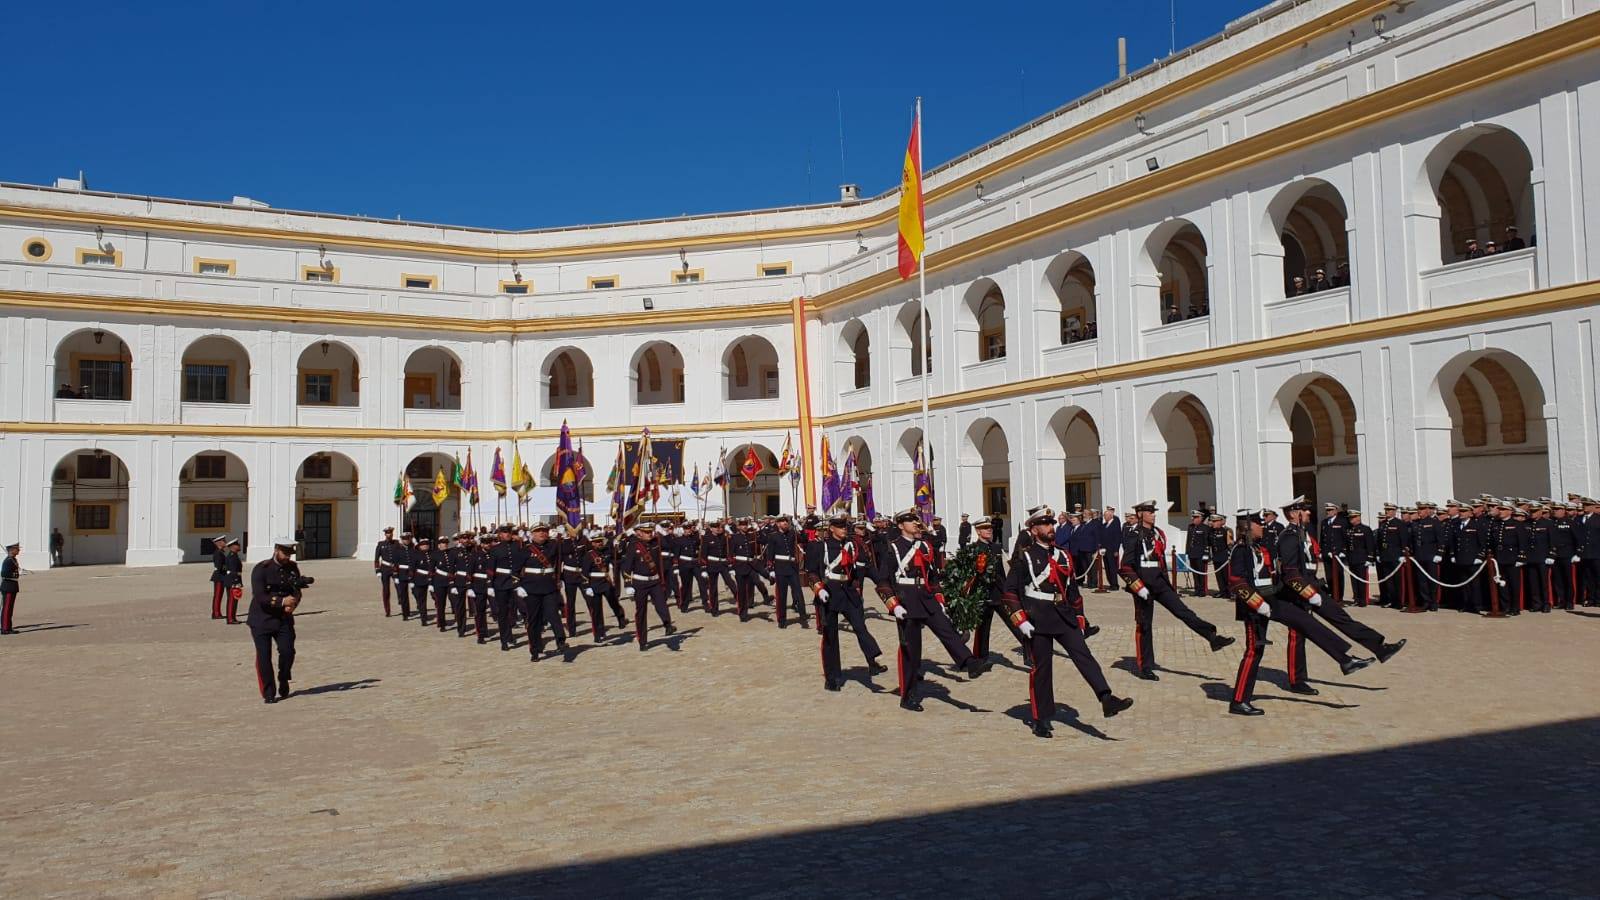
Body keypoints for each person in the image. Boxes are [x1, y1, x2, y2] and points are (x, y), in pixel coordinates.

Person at [1225, 510, 1372, 717]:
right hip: (1254, 607)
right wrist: (1258, 605)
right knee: (1254, 651)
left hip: (1272, 599)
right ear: (1248, 527)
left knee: (1305, 621)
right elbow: (1237, 582)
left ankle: (1345, 659)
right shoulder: (1240, 550)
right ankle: (1239, 700)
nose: (1263, 527)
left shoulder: (1259, 546)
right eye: (1259, 524)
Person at [1002, 510, 1133, 738]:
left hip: (1063, 614)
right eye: (1044, 525)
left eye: (1051, 524)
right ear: (1034, 531)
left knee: (1084, 656)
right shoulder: (1025, 556)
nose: (1050, 528)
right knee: (1042, 669)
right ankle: (1041, 718)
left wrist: (1080, 616)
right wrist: (1020, 620)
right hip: (1037, 617)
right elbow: (1010, 592)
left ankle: (1106, 698)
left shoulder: (1063, 555)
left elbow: (1072, 591)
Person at [1277, 497, 1405, 693]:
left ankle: (1379, 647)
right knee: (1298, 635)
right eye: (1304, 510)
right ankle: (1297, 680)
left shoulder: (1302, 532)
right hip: (1298, 592)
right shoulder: (1288, 536)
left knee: (1341, 617)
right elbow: (1290, 572)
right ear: (1294, 514)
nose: (1309, 513)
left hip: (1312, 587)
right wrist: (1308, 593)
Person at [875, 510, 991, 712]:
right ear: (901, 526)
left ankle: (969, 662)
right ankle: (908, 696)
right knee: (912, 650)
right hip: (906, 599)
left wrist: (939, 597)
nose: (915, 524)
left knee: (947, 630)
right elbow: (883, 581)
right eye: (910, 521)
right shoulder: (893, 548)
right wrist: (894, 605)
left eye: (916, 521)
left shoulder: (926, 546)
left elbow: (933, 577)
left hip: (926, 597)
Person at [1119, 500, 1234, 681]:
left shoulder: (1157, 533)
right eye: (1150, 512)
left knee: (1183, 612)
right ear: (1141, 514)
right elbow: (1125, 567)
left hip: (1160, 583)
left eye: (1153, 512)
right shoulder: (1134, 535)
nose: (1154, 515)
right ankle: (1145, 666)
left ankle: (1212, 637)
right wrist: (1138, 587)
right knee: (1144, 625)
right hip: (1143, 587)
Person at [805, 515, 887, 692]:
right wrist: (819, 589)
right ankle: (832, 677)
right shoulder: (820, 547)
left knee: (860, 626)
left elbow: (865, 567)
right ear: (831, 529)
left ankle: (873, 655)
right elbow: (810, 572)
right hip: (829, 592)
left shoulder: (853, 545)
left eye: (845, 526)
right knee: (831, 637)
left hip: (848, 592)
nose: (844, 529)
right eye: (840, 526)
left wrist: (882, 582)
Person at [967, 517, 1029, 666]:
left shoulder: (996, 548)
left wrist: (1008, 591)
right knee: (982, 630)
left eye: (990, 527)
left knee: (1016, 623)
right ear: (978, 531)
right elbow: (970, 576)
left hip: (999, 594)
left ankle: (1030, 655)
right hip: (981, 594)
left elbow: (1001, 573)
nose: (989, 529)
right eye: (985, 528)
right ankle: (981, 659)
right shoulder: (972, 550)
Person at [248, 540, 303, 704]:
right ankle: (269, 692)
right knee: (264, 657)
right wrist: (281, 602)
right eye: (285, 553)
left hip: (283, 619)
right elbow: (260, 596)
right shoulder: (262, 569)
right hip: (261, 619)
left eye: (289, 554)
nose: (287, 557)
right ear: (276, 550)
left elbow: (297, 591)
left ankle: (283, 677)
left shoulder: (292, 568)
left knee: (288, 652)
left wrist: (292, 605)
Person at [519, 523, 570, 661]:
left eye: (545, 531)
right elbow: (516, 570)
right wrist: (518, 586)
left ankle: (561, 641)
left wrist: (565, 536)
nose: (542, 533)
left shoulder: (554, 546)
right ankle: (535, 650)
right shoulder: (525, 550)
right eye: (538, 531)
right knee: (534, 620)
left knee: (553, 614)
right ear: (532, 534)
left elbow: (568, 552)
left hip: (549, 587)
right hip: (531, 588)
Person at [620, 521, 674, 651]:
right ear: (639, 533)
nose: (649, 534)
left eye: (651, 531)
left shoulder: (656, 542)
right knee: (641, 612)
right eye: (646, 532)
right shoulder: (633, 546)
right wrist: (628, 584)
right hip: (640, 583)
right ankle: (642, 641)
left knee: (662, 605)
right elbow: (626, 567)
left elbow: (670, 545)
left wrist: (663, 533)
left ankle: (668, 625)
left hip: (654, 581)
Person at [765, 516, 807, 628]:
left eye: (786, 522)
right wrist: (771, 569)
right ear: (778, 524)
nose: (785, 523)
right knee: (782, 596)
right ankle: (782, 620)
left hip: (792, 567)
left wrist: (799, 527)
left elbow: (804, 539)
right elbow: (770, 554)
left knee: (798, 592)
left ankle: (803, 615)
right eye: (782, 522)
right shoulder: (773, 536)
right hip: (780, 568)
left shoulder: (792, 533)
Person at [1345, 511, 1376, 607]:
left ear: (1358, 517)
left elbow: (1370, 545)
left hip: (1362, 558)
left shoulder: (1365, 529)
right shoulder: (1349, 529)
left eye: (1353, 517)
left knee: (1361, 580)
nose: (1351, 520)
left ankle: (1362, 600)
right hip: (1352, 558)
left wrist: (1370, 558)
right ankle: (1356, 598)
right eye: (1350, 518)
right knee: (1354, 580)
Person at [1185, 511, 1211, 597]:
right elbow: (1188, 540)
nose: (1193, 519)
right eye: (1193, 517)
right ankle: (1197, 589)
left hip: (1200, 554)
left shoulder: (1205, 528)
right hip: (1192, 553)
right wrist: (1187, 552)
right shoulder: (1190, 527)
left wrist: (1206, 554)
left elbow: (1206, 541)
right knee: (1194, 573)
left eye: (1195, 517)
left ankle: (1202, 590)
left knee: (1201, 572)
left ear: (1200, 518)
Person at [374, 526, 399, 617]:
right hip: (384, 569)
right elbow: (376, 559)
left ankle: (400, 599)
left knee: (399, 585)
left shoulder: (396, 543)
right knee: (386, 590)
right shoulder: (381, 544)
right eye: (388, 533)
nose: (389, 534)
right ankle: (387, 610)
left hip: (395, 569)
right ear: (385, 534)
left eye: (391, 533)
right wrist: (377, 570)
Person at [1, 542, 23, 634]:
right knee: (7, 608)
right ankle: (5, 628)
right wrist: (15, 574)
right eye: (17, 549)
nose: (18, 550)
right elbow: (4, 574)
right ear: (11, 550)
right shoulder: (8, 561)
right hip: (8, 586)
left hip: (12, 586)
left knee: (9, 608)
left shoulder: (13, 559)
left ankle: (8, 627)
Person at [222, 539, 245, 623]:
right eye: (237, 545)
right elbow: (233, 570)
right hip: (232, 580)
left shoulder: (234, 555)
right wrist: (236, 582)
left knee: (234, 600)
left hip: (233, 580)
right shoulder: (232, 557)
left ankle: (232, 617)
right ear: (232, 547)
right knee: (232, 600)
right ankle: (230, 619)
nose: (239, 546)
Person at [208, 534, 230, 620]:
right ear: (219, 543)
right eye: (224, 541)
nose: (225, 542)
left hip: (221, 576)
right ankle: (216, 613)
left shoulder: (221, 552)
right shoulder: (218, 553)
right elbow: (219, 566)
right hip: (219, 576)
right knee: (217, 595)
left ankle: (217, 612)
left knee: (219, 595)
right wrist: (228, 568)